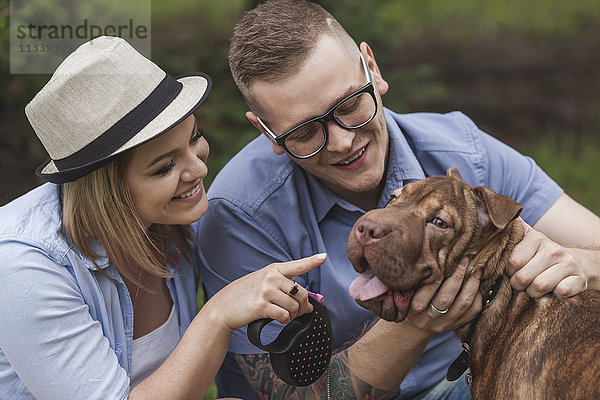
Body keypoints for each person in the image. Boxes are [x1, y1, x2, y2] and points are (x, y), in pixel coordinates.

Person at [194, 1, 600, 399]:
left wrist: (580, 262)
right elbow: (285, 393)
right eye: (303, 133)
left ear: (372, 68)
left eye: (349, 105)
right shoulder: (241, 213)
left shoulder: (464, 155)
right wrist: (420, 318)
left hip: (460, 381)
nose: (342, 142)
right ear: (267, 132)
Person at [0, 35, 327, 399]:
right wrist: (217, 315)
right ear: (107, 190)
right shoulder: (24, 267)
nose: (198, 168)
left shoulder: (169, 220)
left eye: (195, 137)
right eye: (165, 167)